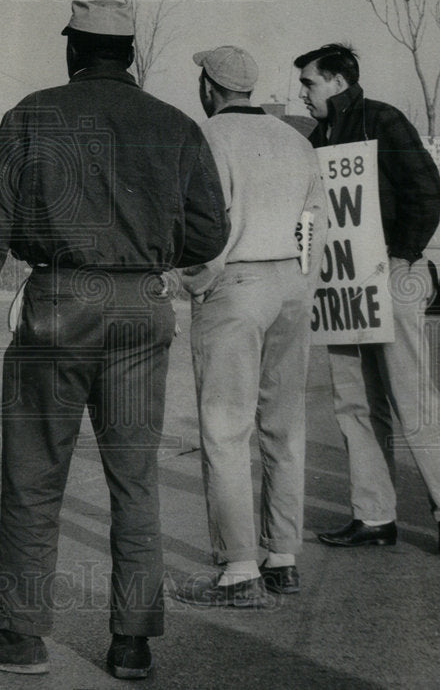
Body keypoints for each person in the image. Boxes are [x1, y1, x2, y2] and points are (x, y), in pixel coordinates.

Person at [0, 0, 228, 679]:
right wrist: (149, 252)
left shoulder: (32, 116)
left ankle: (21, 636)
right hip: (140, 309)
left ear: (74, 50)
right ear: (129, 54)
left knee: (36, 476)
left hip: (59, 305)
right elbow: (210, 233)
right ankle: (132, 643)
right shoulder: (177, 126)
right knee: (136, 481)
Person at [293, 43, 440, 553]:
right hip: (342, 287)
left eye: (309, 83)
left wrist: (402, 254)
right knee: (353, 403)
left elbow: (428, 190)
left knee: (410, 395)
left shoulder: (384, 121)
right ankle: (374, 518)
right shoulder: (318, 137)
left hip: (390, 276)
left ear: (337, 83)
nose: (302, 94)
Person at [174, 47, 328, 610]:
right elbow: (315, 221)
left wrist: (198, 283)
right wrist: (302, 281)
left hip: (235, 285)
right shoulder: (297, 138)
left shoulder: (207, 137)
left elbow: (203, 228)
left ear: (209, 85)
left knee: (225, 427)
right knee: (284, 426)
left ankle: (239, 569)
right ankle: (282, 556)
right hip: (291, 284)